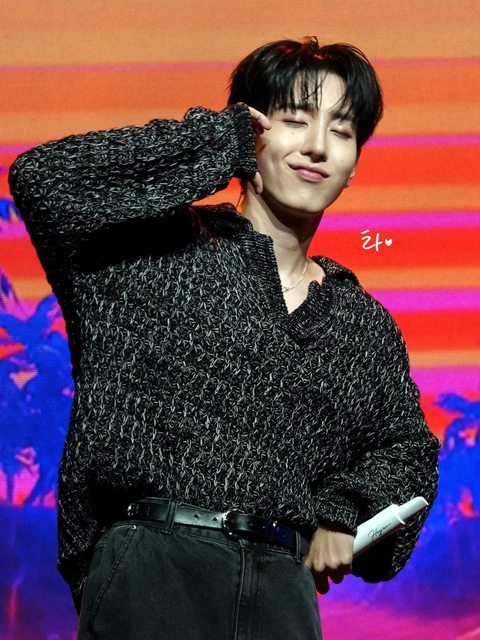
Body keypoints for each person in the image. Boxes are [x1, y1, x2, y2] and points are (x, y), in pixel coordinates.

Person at [9, 37, 439, 640]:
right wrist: (218, 139)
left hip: (281, 591)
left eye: (342, 131)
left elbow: (408, 450)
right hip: (153, 568)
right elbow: (43, 180)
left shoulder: (360, 324)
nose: (317, 145)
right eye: (294, 121)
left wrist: (349, 510)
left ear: (353, 166)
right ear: (251, 130)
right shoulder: (145, 253)